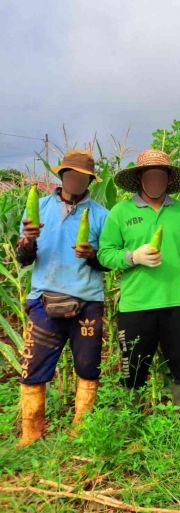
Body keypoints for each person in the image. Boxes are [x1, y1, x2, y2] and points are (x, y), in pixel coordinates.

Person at [97, 149, 180, 415]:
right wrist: (132, 257)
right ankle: (132, 423)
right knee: (134, 368)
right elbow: (104, 254)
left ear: (168, 179)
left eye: (160, 176)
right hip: (136, 304)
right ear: (140, 179)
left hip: (178, 302)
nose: (155, 182)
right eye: (150, 176)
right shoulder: (120, 212)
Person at [16, 149, 109, 445]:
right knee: (34, 367)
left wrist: (93, 255)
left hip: (88, 300)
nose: (76, 181)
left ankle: (81, 431)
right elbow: (24, 259)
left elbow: (107, 262)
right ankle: (31, 434)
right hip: (44, 298)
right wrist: (29, 241)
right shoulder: (38, 209)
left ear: (90, 181)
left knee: (88, 366)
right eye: (71, 175)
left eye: (82, 177)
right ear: (62, 176)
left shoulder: (101, 215)